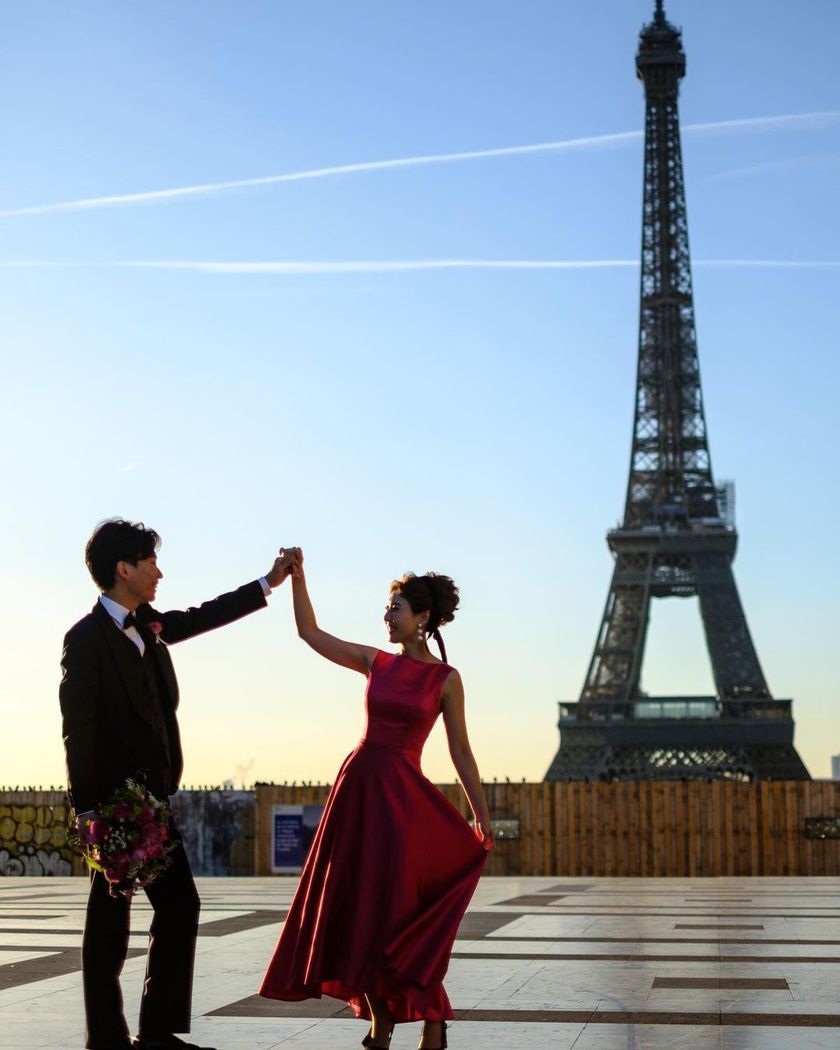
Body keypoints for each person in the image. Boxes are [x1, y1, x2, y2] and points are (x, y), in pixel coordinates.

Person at [59, 518, 296, 1050]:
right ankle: (108, 1038)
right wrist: (89, 812)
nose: (159, 573)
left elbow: (203, 615)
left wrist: (267, 582)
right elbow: (79, 730)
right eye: (151, 563)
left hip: (153, 804)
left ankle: (158, 1032)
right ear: (124, 569)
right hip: (113, 810)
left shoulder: (149, 625)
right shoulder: (86, 639)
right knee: (109, 920)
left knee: (179, 905)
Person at [260, 549, 493, 1050]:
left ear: (422, 618)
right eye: (387, 609)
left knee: (398, 913)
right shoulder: (375, 661)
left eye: (395, 609)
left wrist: (480, 813)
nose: (387, 617)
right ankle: (380, 1021)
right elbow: (311, 634)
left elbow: (461, 751)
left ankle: (432, 1015)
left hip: (401, 801)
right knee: (358, 906)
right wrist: (299, 579)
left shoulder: (446, 680)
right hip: (359, 791)